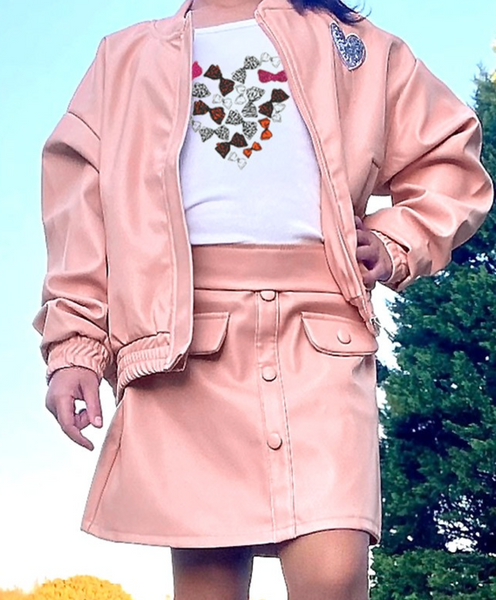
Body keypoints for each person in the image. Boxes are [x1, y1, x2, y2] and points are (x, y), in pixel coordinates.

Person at [32, 0, 493, 597]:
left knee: (334, 575)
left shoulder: (358, 47)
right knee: (208, 586)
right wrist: (74, 346)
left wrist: (396, 239)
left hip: (321, 331)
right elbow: (79, 215)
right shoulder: (125, 58)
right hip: (181, 345)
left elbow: (450, 158)